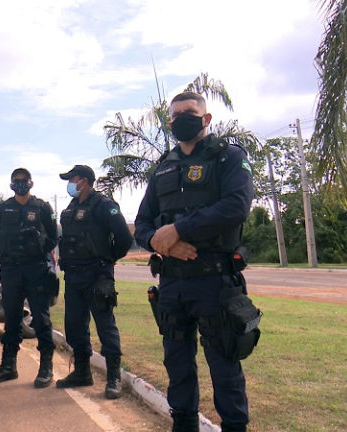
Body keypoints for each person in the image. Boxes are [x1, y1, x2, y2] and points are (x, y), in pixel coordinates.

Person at [134, 92, 255, 432]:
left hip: (214, 281)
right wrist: (163, 245)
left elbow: (236, 206)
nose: (181, 119)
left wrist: (178, 229)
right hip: (172, 280)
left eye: (190, 112)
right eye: (175, 115)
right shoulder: (163, 169)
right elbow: (143, 223)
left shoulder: (228, 158)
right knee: (177, 365)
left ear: (207, 118)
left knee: (225, 366)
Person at [56, 164, 133, 399]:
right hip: (74, 276)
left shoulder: (104, 205)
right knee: (74, 327)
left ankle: (113, 378)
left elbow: (124, 238)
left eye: (73, 179)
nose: (70, 183)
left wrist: (108, 259)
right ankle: (82, 373)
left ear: (86, 181)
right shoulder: (71, 208)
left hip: (97, 276)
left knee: (105, 327)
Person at [0, 168, 59, 388]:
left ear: (31, 183)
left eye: (23, 181)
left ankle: (46, 367)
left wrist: (38, 251)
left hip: (35, 269)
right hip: (11, 270)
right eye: (16, 181)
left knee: (41, 319)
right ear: (11, 185)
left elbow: (53, 237)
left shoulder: (42, 207)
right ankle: (9, 366)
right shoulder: (4, 207)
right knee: (12, 319)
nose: (20, 184)